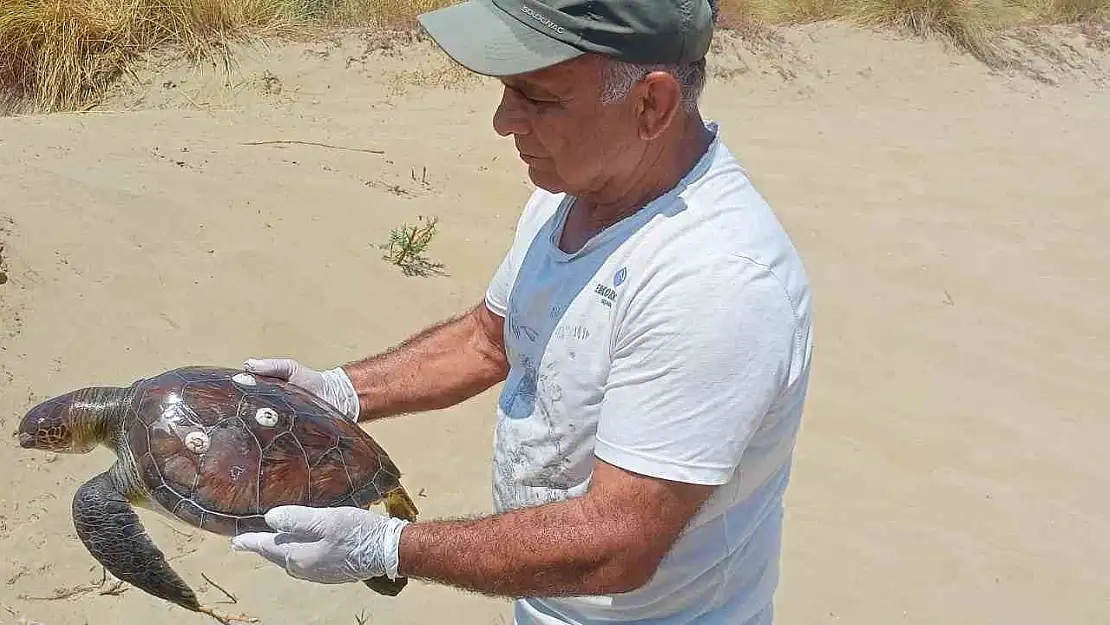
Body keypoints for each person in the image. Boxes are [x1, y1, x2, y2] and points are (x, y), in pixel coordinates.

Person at [230, 0, 815, 623]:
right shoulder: (576, 190)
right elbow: (492, 339)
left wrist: (388, 546)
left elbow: (617, 546)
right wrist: (337, 393)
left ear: (651, 105)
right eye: (507, 91)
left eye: (537, 98)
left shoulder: (716, 281)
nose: (503, 121)